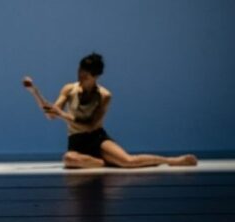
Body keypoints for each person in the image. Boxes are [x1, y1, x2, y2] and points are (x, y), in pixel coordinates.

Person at [23, 53, 197, 169]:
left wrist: (63, 115)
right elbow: (50, 114)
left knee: (128, 161)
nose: (80, 77)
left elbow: (91, 126)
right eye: (79, 72)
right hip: (76, 141)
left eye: (85, 75)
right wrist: (35, 92)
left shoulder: (105, 95)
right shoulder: (69, 89)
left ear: (95, 76)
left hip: (96, 138)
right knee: (69, 159)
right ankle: (103, 162)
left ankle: (171, 160)